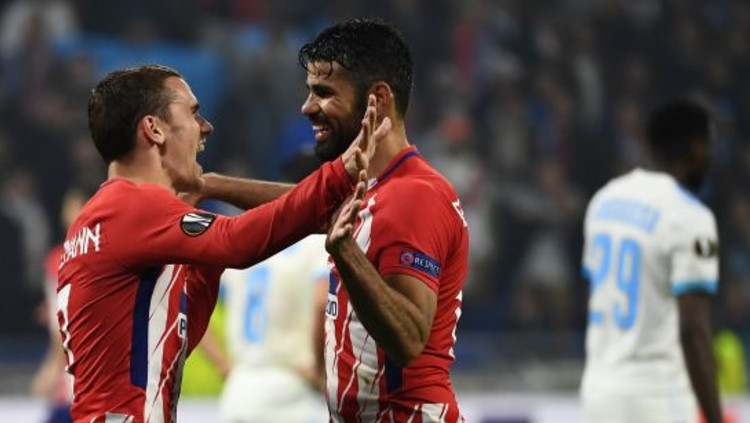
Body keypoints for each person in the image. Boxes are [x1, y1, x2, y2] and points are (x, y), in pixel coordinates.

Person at [56, 64, 388, 423]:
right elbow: (237, 242)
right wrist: (339, 173)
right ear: (153, 129)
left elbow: (176, 342)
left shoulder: (99, 218)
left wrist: (206, 226)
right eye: (193, 112)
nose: (206, 127)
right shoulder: (133, 207)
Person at [196, 19, 470, 422]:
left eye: (324, 93)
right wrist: (209, 185)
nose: (307, 107)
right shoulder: (370, 189)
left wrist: (347, 254)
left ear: (377, 99)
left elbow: (411, 338)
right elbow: (298, 203)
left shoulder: (414, 195)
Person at [580, 100, 723, 423]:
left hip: (598, 390)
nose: (712, 157)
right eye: (709, 145)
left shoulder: (605, 199)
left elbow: (595, 293)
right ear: (695, 148)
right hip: (657, 396)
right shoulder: (690, 216)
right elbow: (693, 329)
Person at [30, 188, 86, 423]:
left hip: (76, 381)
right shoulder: (57, 259)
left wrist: (51, 367)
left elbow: (65, 326)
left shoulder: (62, 260)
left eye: (75, 208)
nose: (68, 214)